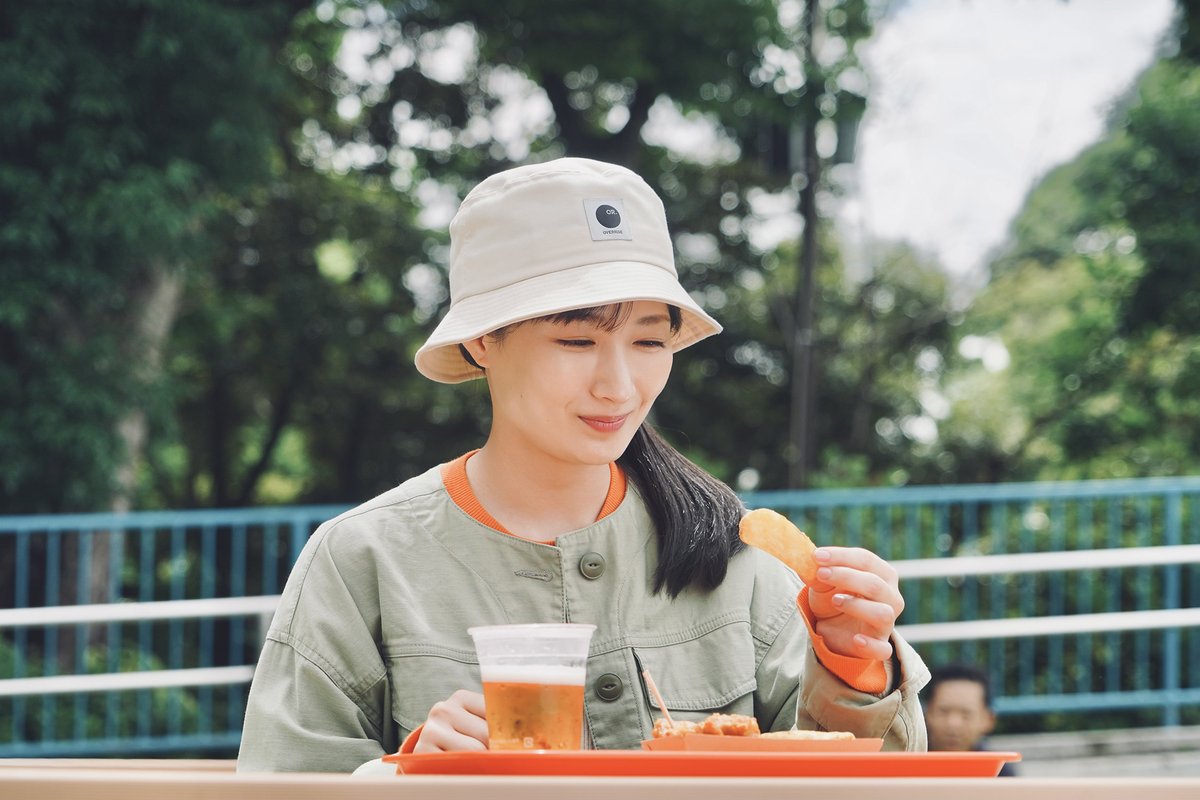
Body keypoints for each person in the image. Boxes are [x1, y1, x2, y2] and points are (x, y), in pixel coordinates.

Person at [236, 157, 930, 772]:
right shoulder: (364, 561)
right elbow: (284, 786)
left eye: (650, 342)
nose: (619, 386)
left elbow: (861, 785)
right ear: (482, 342)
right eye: (576, 340)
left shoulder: (736, 556)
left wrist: (855, 669)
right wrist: (405, 776)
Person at [924, 663, 1017, 776]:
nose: (953, 724)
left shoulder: (999, 772)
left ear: (988, 720)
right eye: (944, 711)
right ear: (926, 713)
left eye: (966, 714)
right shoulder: (908, 763)